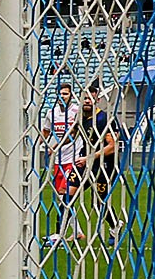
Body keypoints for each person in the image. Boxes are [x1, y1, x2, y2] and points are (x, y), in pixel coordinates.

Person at [78, 84, 123, 242]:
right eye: (85, 98)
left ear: (97, 99)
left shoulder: (104, 118)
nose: (88, 101)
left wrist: (89, 157)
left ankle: (115, 225)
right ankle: (63, 232)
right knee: (66, 192)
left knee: (98, 203)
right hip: (86, 164)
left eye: (91, 98)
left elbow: (111, 147)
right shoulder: (81, 118)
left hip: (105, 166)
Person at [46, 79, 86, 247]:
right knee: (61, 197)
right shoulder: (51, 113)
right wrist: (45, 144)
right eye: (60, 93)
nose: (63, 96)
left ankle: (59, 233)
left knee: (64, 194)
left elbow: (78, 131)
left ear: (71, 95)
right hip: (58, 159)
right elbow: (46, 131)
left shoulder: (77, 111)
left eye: (66, 93)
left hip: (74, 158)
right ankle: (77, 231)